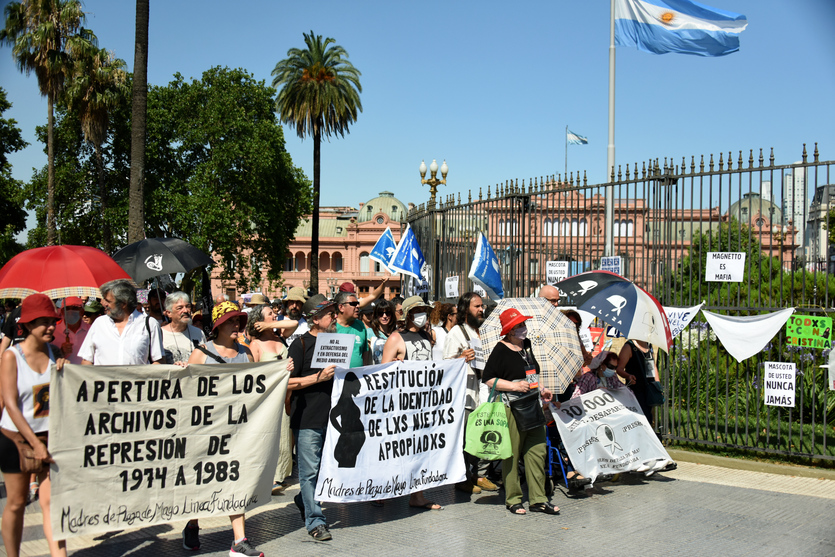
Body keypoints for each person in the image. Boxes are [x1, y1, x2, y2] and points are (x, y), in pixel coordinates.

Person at [184, 301, 262, 556]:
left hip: (236, 430)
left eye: (238, 320)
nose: (236, 324)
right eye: (230, 320)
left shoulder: (246, 352)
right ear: (218, 325)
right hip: (206, 430)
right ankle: (193, 523)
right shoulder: (201, 353)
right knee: (201, 481)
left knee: (234, 479)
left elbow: (254, 388)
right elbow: (188, 394)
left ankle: (239, 540)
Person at [0, 293, 67, 557]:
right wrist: (34, 444)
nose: (51, 327)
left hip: (50, 436)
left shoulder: (55, 352)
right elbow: (10, 404)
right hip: (16, 438)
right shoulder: (10, 357)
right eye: (43, 322)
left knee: (51, 502)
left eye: (53, 321)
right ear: (27, 325)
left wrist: (66, 369)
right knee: (16, 503)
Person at [482, 308, 558, 516]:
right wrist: (514, 386)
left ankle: (538, 499)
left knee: (537, 451)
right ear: (510, 330)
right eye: (519, 326)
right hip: (511, 407)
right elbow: (489, 379)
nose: (524, 329)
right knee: (512, 454)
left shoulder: (527, 346)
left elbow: (531, 374)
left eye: (524, 325)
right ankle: (514, 499)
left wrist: (541, 389)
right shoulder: (500, 349)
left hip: (533, 405)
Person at [381, 296, 442, 511]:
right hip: (401, 405)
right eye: (417, 311)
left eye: (424, 310)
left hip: (423, 405)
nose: (422, 315)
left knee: (420, 450)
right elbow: (382, 372)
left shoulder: (427, 336)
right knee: (396, 449)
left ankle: (417, 495)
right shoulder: (396, 338)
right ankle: (382, 489)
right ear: (408, 315)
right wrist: (395, 367)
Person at [287, 294, 338, 542]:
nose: (334, 317)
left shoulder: (337, 342)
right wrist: (318, 378)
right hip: (307, 418)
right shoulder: (300, 345)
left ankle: (303, 500)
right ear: (315, 319)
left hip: (333, 418)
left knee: (326, 470)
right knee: (308, 473)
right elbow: (287, 382)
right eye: (330, 313)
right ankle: (315, 522)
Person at [443, 292, 496, 494]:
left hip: (484, 391)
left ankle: (479, 474)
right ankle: (463, 477)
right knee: (466, 438)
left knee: (483, 436)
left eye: (482, 306)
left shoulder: (484, 332)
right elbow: (444, 366)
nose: (481, 310)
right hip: (466, 394)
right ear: (466, 310)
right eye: (477, 306)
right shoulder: (456, 333)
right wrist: (461, 358)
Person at [246, 305, 294, 494]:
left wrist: (270, 325)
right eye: (270, 314)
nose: (275, 316)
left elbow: (293, 323)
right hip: (268, 398)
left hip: (286, 396)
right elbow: (254, 373)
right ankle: (269, 477)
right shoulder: (255, 345)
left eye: (274, 314)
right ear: (258, 321)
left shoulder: (281, 336)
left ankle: (280, 475)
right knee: (269, 437)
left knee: (284, 437)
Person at [78, 279, 164, 366]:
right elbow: (86, 360)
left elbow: (159, 361)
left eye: (108, 301)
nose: (104, 304)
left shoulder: (149, 324)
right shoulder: (99, 323)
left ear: (123, 303)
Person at [160, 292, 206, 366]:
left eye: (188, 306)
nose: (185, 310)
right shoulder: (160, 334)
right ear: (169, 313)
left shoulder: (199, 333)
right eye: (180, 308)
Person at [617, 339, 654, 426]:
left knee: (647, 418)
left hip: (648, 390)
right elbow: (619, 368)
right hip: (635, 390)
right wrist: (628, 376)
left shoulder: (648, 345)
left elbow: (652, 367)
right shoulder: (629, 346)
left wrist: (657, 384)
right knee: (638, 419)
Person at [334, 292, 368, 367]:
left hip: (358, 376)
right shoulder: (330, 326)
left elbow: (365, 352)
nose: (358, 306)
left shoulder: (360, 325)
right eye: (353, 304)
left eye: (358, 303)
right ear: (341, 307)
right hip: (337, 376)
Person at [52, 297, 89, 365]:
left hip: (85, 373)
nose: (71, 312)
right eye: (67, 309)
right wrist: (61, 352)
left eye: (75, 308)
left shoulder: (91, 330)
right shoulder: (54, 332)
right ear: (62, 311)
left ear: (82, 311)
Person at [368, 299, 396, 365]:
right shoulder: (369, 332)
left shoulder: (397, 333)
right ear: (376, 315)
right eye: (381, 313)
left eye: (388, 313)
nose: (384, 316)